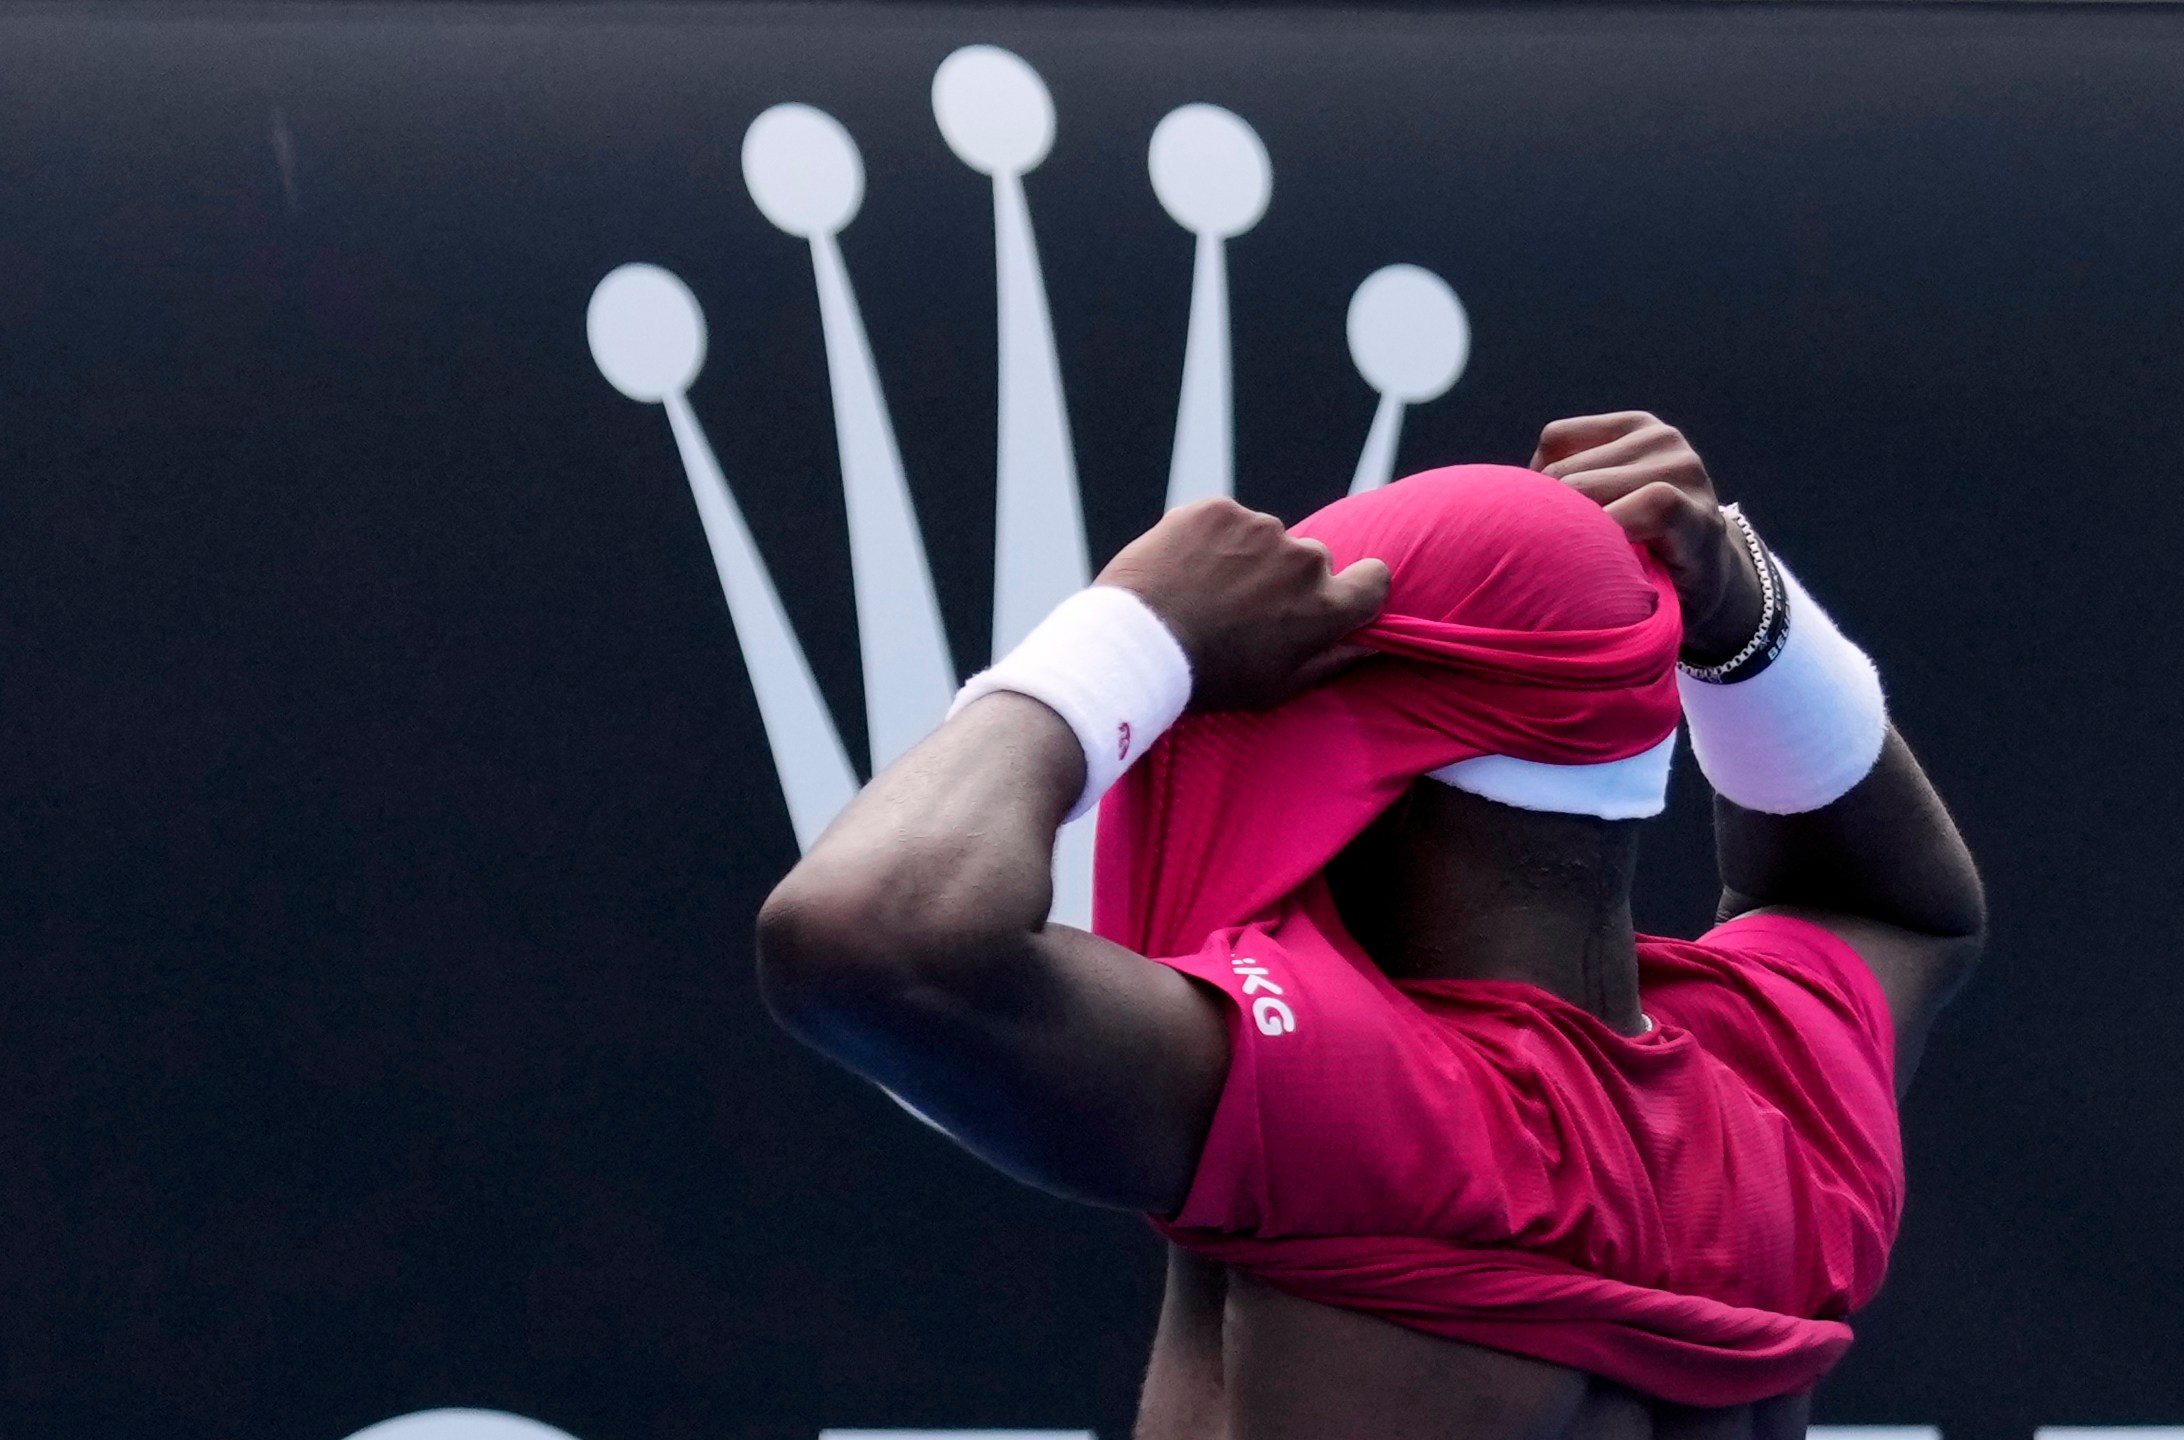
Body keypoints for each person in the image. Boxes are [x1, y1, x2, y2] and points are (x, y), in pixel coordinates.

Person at [754, 412, 1985, 1439]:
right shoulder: (1780, 1096)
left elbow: (869, 937)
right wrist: (1744, 617)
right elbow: (1888, 897)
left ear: (1366, 756)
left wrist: (1133, 634)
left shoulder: (1344, 1092)